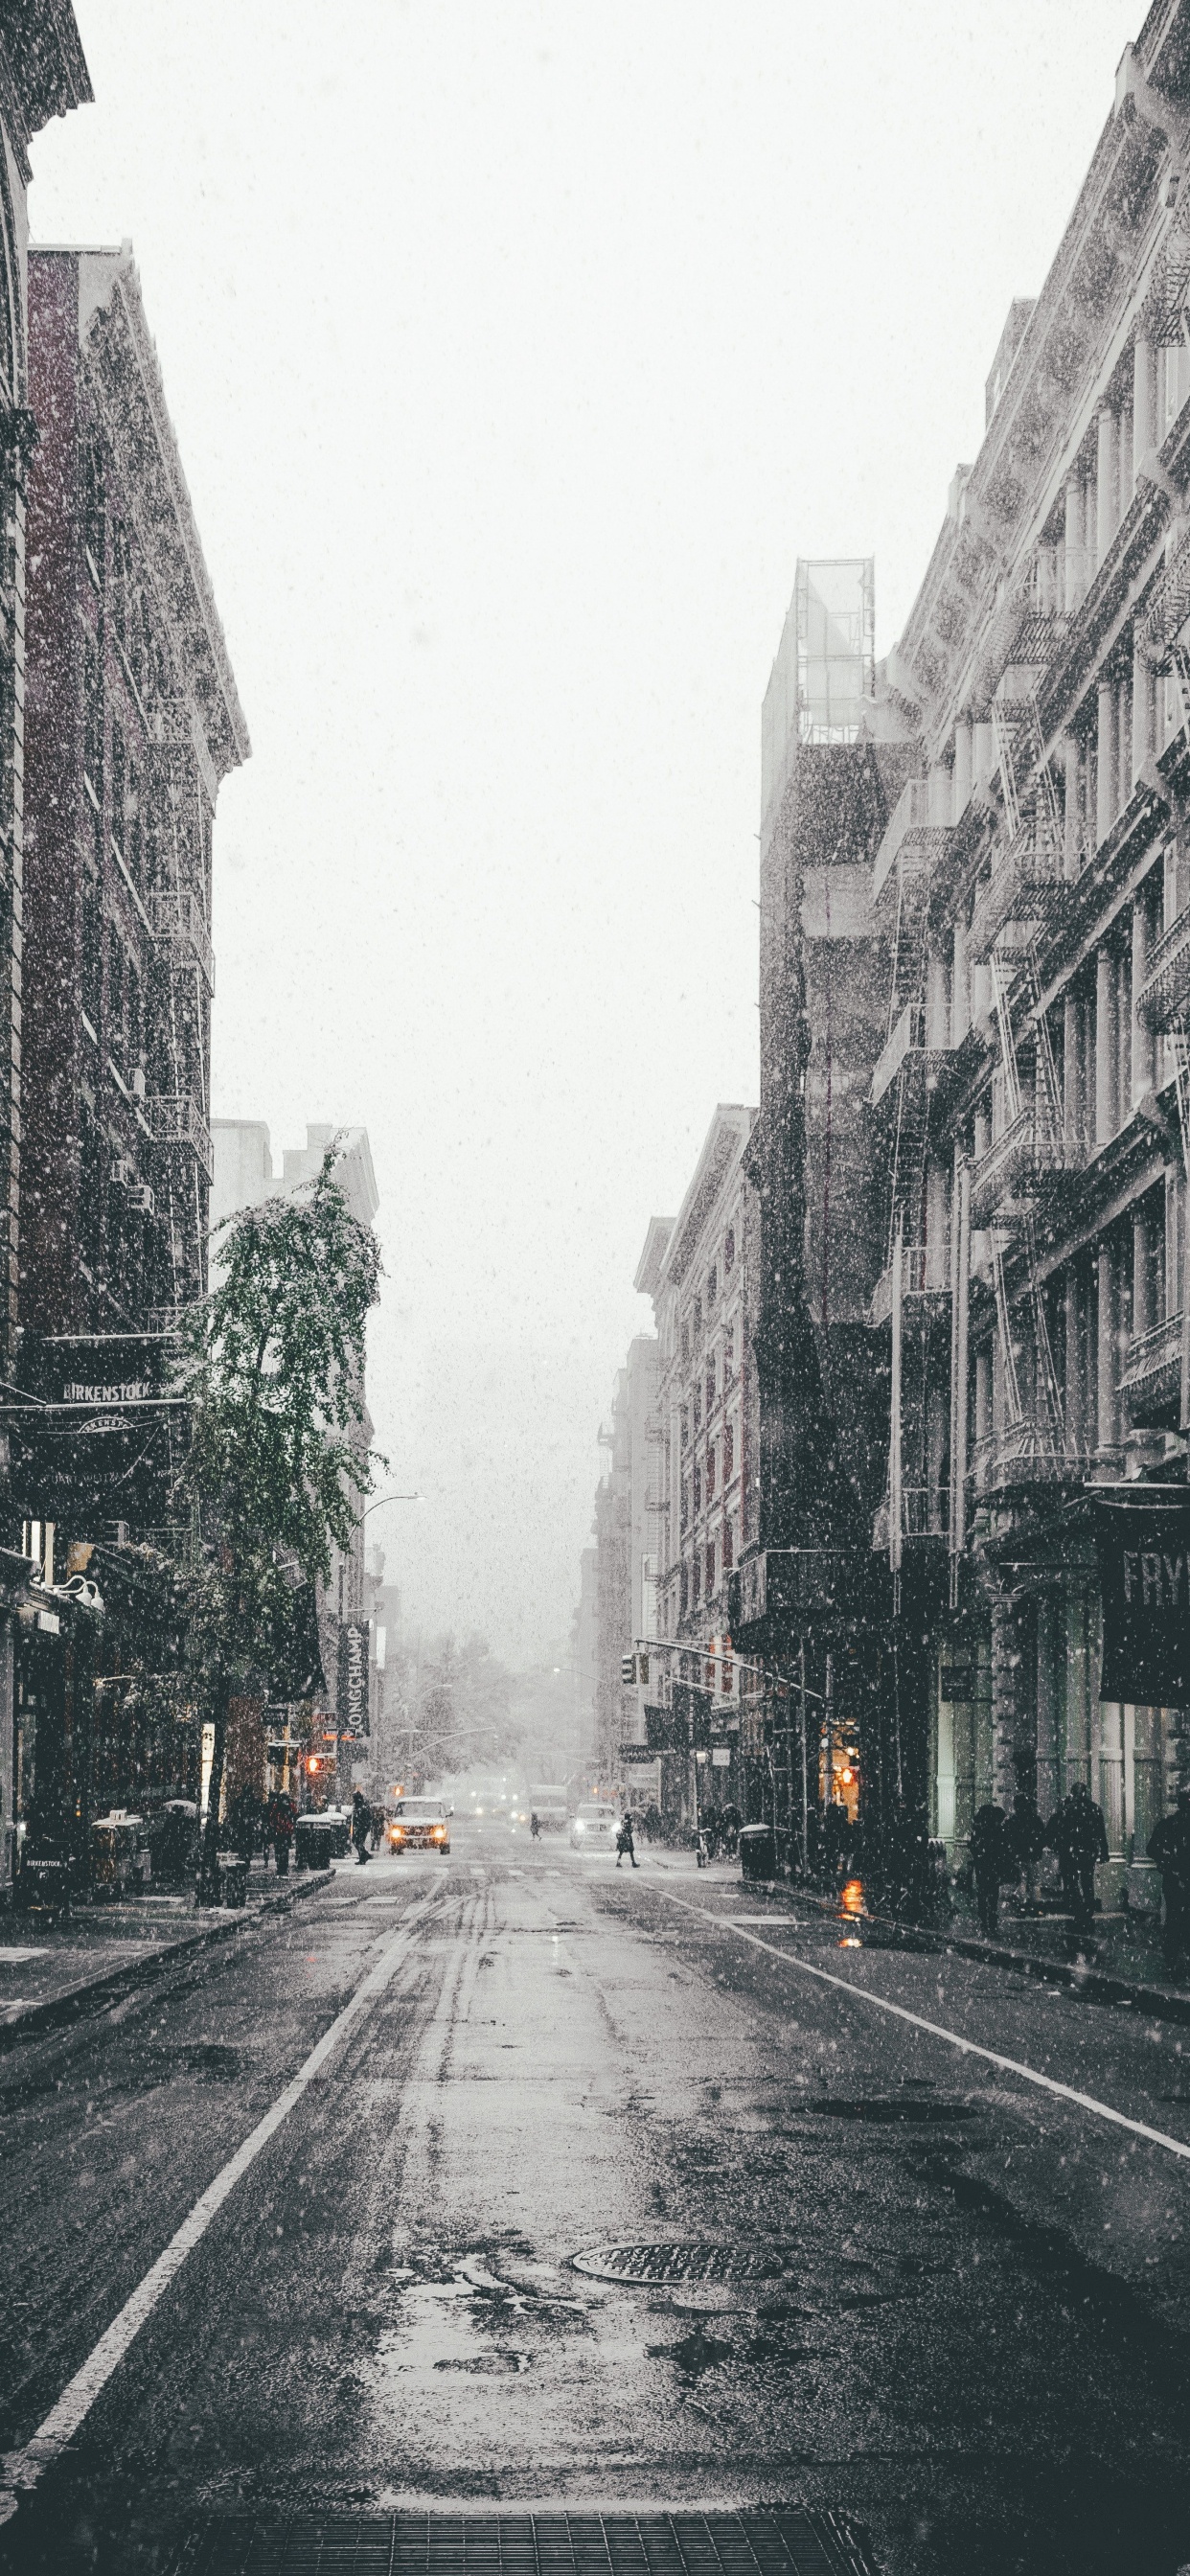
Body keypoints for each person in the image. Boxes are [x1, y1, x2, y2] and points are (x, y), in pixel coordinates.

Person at [1049, 1780, 1109, 1937]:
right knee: (1087, 1879)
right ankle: (1088, 1908)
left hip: (1071, 1850)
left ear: (1073, 1793)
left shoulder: (1067, 1810)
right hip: (1088, 1850)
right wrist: (1104, 1851)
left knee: (1072, 1881)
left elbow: (1059, 1830)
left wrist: (1059, 1846)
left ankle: (1077, 1908)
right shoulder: (1094, 1809)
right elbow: (1100, 1832)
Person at [1148, 1787, 1190, 1977]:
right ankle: (1177, 1956)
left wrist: (1166, 1863)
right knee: (1179, 1918)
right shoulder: (1171, 1825)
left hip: (1174, 1878)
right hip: (1178, 1878)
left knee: (1174, 1918)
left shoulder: (1170, 1824)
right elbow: (1153, 1848)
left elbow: (1152, 1849)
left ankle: (1172, 1958)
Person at [969, 1800, 1009, 1938]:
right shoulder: (995, 1830)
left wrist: (978, 1855)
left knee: (983, 1892)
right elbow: (1001, 1848)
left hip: (983, 1864)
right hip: (993, 1865)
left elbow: (973, 1846)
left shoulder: (980, 1829)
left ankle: (985, 1920)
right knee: (992, 1894)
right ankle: (990, 1920)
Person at [1006, 1790, 1046, 1911]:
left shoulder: (1013, 1820)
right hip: (1033, 1855)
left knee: (1021, 1880)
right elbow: (1042, 1836)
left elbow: (1008, 1837)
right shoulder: (1035, 1819)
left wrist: (1012, 1851)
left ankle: (1022, 1905)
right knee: (1035, 1881)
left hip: (1018, 1854)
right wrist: (1037, 1848)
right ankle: (1035, 1905)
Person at [271, 1790, 294, 1877]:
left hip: (281, 1832)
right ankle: (283, 1866)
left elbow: (272, 1817)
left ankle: (281, 1866)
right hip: (285, 1831)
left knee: (280, 1849)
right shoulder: (288, 1806)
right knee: (284, 1850)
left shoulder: (277, 1806)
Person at [351, 1787, 372, 1867]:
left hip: (361, 1827)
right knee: (356, 1841)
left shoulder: (362, 1806)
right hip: (359, 1827)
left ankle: (363, 1857)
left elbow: (367, 1818)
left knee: (358, 1842)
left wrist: (363, 1826)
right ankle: (363, 1856)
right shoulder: (358, 1805)